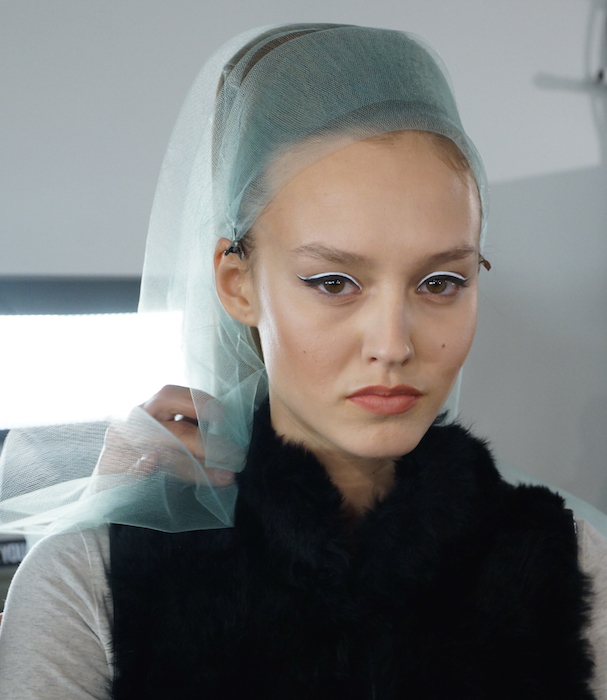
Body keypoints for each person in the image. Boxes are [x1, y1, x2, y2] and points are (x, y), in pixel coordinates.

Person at [1, 23, 607, 699]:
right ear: (237, 284)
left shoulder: (571, 561)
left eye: (440, 282)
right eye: (333, 283)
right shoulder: (88, 581)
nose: (392, 344)